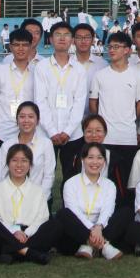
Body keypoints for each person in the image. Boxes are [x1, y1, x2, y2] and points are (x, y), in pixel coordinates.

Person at [89, 32, 140, 196]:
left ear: (127, 50)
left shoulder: (136, 75)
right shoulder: (100, 75)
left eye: (116, 46)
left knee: (127, 183)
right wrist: (101, 126)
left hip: (128, 137)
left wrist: (130, 119)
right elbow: (93, 103)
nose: (112, 50)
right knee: (104, 183)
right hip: (106, 138)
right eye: (110, 46)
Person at [0, 144, 56, 265]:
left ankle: (10, 254)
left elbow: (42, 218)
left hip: (29, 235)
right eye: (14, 160)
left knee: (54, 224)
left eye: (24, 161)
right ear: (8, 163)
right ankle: (28, 253)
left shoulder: (38, 190)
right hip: (4, 234)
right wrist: (14, 232)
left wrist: (26, 233)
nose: (19, 165)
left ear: (30, 165)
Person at [33, 21, 88, 178]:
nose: (62, 38)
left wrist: (67, 131)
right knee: (42, 175)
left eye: (66, 35)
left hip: (73, 135)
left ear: (72, 40)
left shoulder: (79, 69)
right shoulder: (42, 67)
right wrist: (52, 131)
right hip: (45, 133)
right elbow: (40, 101)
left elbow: (79, 103)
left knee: (72, 176)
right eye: (57, 35)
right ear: (50, 39)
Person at [53, 142, 123, 260]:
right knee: (63, 214)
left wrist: (99, 227)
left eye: (99, 158)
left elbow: (108, 210)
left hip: (102, 229)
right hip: (78, 228)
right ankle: (102, 245)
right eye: (90, 157)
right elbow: (73, 211)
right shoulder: (71, 183)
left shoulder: (109, 185)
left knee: (126, 212)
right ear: (82, 160)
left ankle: (91, 245)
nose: (95, 162)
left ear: (104, 161)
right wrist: (92, 229)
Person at [0, 28, 36, 145]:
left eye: (25, 45)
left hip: (30, 132)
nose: (20, 48)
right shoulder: (0, 71)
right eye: (16, 45)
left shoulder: (36, 73)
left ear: (30, 47)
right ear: (10, 47)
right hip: (3, 132)